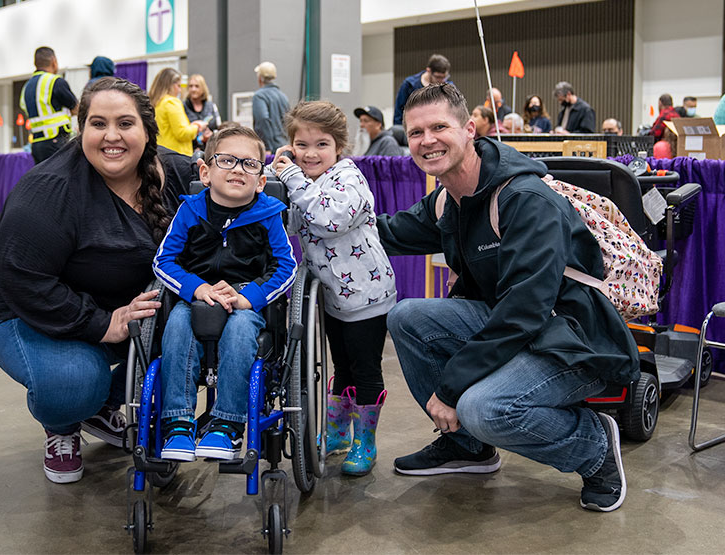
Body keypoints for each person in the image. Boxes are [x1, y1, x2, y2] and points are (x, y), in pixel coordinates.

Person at [376, 83, 639, 512]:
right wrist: (313, 213)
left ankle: (594, 446)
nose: (427, 140)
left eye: (439, 127)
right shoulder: (449, 198)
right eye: (416, 132)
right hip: (517, 326)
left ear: (470, 130)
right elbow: (387, 232)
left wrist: (450, 386)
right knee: (407, 316)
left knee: (485, 408)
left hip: (574, 339)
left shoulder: (525, 200)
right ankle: (467, 448)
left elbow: (524, 311)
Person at [0, 77, 198, 484]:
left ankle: (101, 406)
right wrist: (102, 324)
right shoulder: (51, 189)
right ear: (82, 130)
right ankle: (64, 424)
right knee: (76, 381)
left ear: (148, 131)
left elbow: (238, 178)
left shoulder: (175, 175)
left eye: (125, 124)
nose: (112, 136)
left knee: (195, 331)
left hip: (118, 309)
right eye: (98, 124)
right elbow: (20, 279)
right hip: (19, 309)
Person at [152, 126, 297, 462]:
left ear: (261, 180)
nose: (237, 169)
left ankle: (226, 425)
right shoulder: (189, 211)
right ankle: (177, 423)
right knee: (176, 325)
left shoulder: (269, 215)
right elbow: (164, 261)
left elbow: (286, 267)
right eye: (227, 160)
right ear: (206, 171)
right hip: (197, 297)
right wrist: (197, 288)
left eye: (249, 164)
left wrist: (252, 297)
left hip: (245, 299)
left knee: (241, 327)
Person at [272, 100, 397, 476]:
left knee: (365, 371)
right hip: (331, 298)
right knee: (340, 368)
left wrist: (292, 177)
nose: (311, 154)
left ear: (339, 146)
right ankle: (339, 433)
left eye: (321, 144)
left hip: (366, 297)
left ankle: (366, 441)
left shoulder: (349, 178)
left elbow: (328, 218)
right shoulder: (303, 183)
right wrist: (275, 176)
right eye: (301, 145)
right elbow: (290, 222)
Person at [19, 46, 78, 164]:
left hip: (36, 143)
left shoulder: (26, 87)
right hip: (56, 140)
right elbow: (76, 108)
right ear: (54, 61)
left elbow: (26, 108)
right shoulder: (55, 81)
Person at [149, 67, 208, 156]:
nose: (180, 90)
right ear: (170, 85)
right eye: (178, 86)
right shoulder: (172, 102)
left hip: (161, 152)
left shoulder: (156, 102)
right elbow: (182, 133)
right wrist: (198, 126)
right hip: (177, 155)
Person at [393, 54, 452, 125]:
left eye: (444, 77)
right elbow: (399, 113)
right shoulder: (410, 85)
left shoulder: (448, 86)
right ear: (428, 70)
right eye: (438, 77)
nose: (442, 81)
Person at [252, 61, 290, 153]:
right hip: (284, 145)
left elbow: (262, 119)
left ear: (260, 78)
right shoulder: (283, 96)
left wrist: (266, 146)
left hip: (271, 150)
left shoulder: (259, 96)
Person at [183, 73, 221, 152]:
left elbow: (219, 128)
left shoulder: (211, 106)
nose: (193, 89)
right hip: (189, 151)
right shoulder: (182, 107)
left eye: (197, 86)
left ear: (203, 88)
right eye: (191, 86)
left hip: (209, 149)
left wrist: (211, 135)